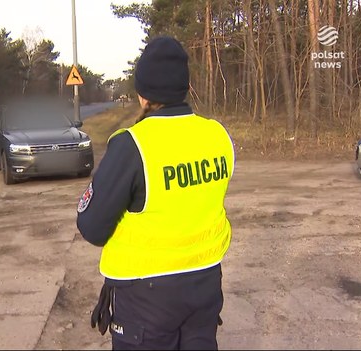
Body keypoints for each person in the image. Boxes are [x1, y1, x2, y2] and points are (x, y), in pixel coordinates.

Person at [76, 35, 235, 350]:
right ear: (185, 88)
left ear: (142, 92)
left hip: (146, 297)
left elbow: (92, 227)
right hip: (205, 286)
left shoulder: (133, 145)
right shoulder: (217, 136)